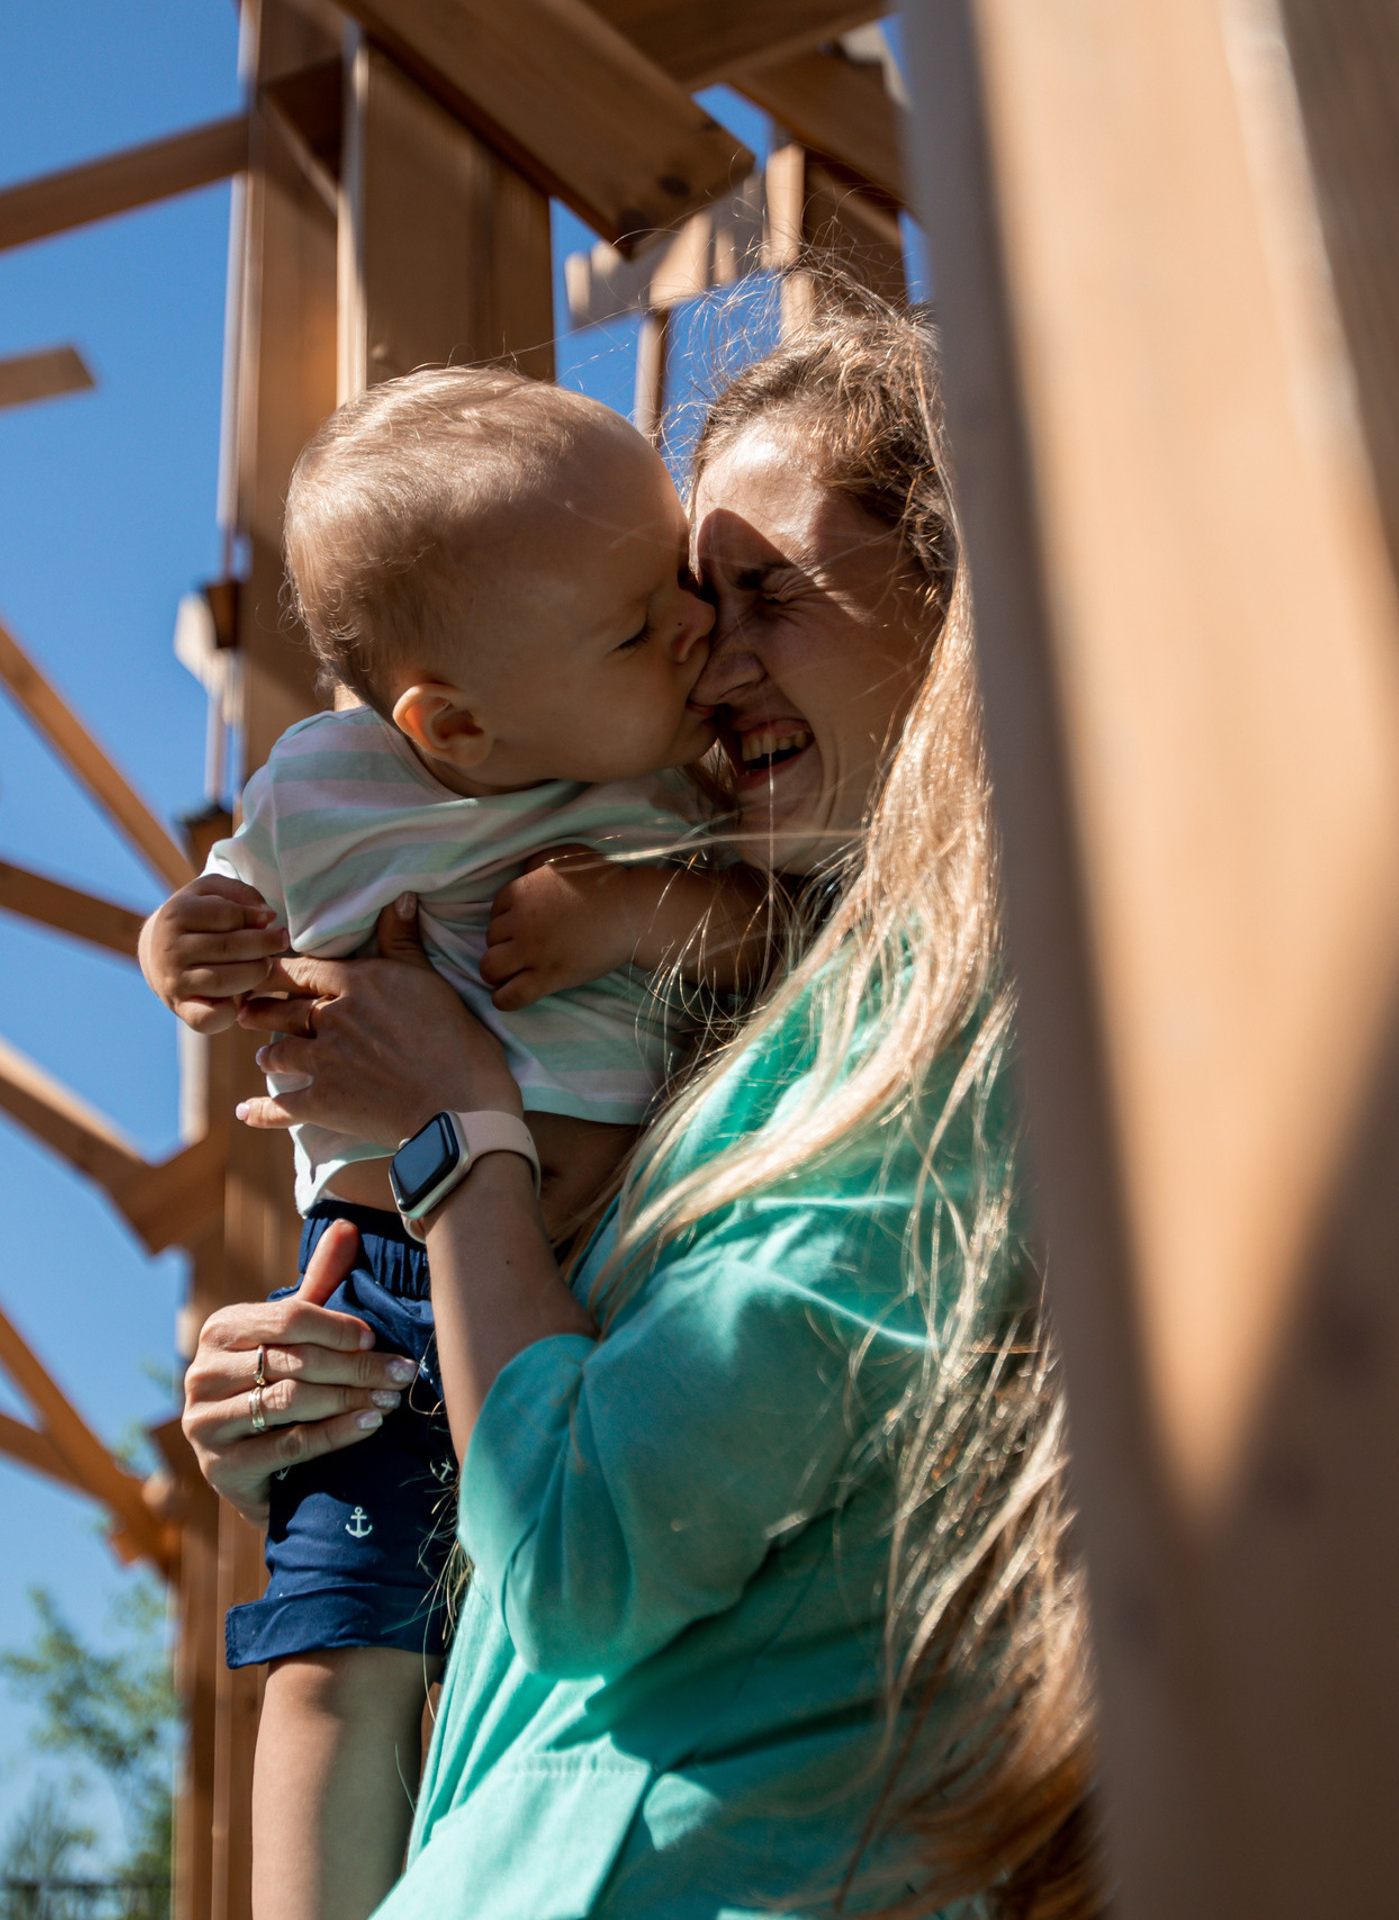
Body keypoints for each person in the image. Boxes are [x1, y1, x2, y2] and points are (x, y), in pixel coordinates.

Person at [184, 296, 1101, 1917]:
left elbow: (591, 1552)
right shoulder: (771, 1015)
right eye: (684, 603)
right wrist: (322, 1370)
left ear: (963, 602)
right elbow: (556, 1510)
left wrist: (458, 1126)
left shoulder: (952, 1031)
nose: (707, 655)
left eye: (767, 596)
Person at [140, 368, 768, 1920]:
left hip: (607, 1265)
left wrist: (629, 907)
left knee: (526, 1600)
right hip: (369, 1293)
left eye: (685, 584)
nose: (693, 630)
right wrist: (188, 949)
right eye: (642, 621)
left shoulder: (683, 773)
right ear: (457, 722)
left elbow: (765, 939)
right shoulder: (322, 786)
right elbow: (209, 907)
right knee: (337, 1657)